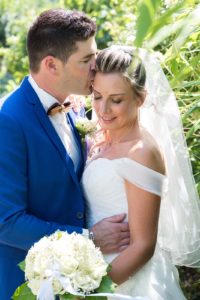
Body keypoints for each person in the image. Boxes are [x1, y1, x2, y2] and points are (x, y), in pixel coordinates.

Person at [0, 10, 129, 299]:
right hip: (27, 284)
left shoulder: (78, 106)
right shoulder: (7, 121)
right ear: (51, 65)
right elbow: (6, 222)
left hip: (82, 281)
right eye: (86, 61)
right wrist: (89, 239)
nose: (96, 68)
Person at [81, 46, 200, 299]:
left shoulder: (141, 152)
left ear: (140, 99)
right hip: (94, 264)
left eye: (116, 100)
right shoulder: (103, 136)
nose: (103, 110)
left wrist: (93, 289)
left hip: (125, 281)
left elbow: (144, 245)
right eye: (98, 96)